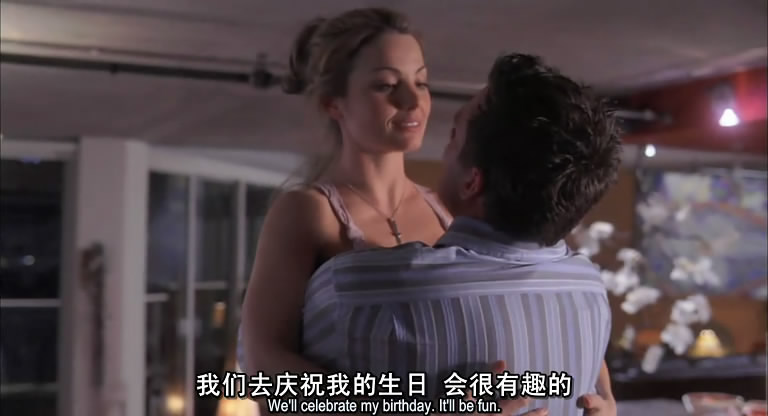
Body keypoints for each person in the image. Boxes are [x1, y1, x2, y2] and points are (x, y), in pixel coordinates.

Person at [239, 7, 615, 415]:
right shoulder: (308, 211)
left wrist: (599, 392)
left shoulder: (445, 207)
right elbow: (261, 362)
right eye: (386, 85)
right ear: (334, 104)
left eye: (421, 82)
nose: (412, 100)